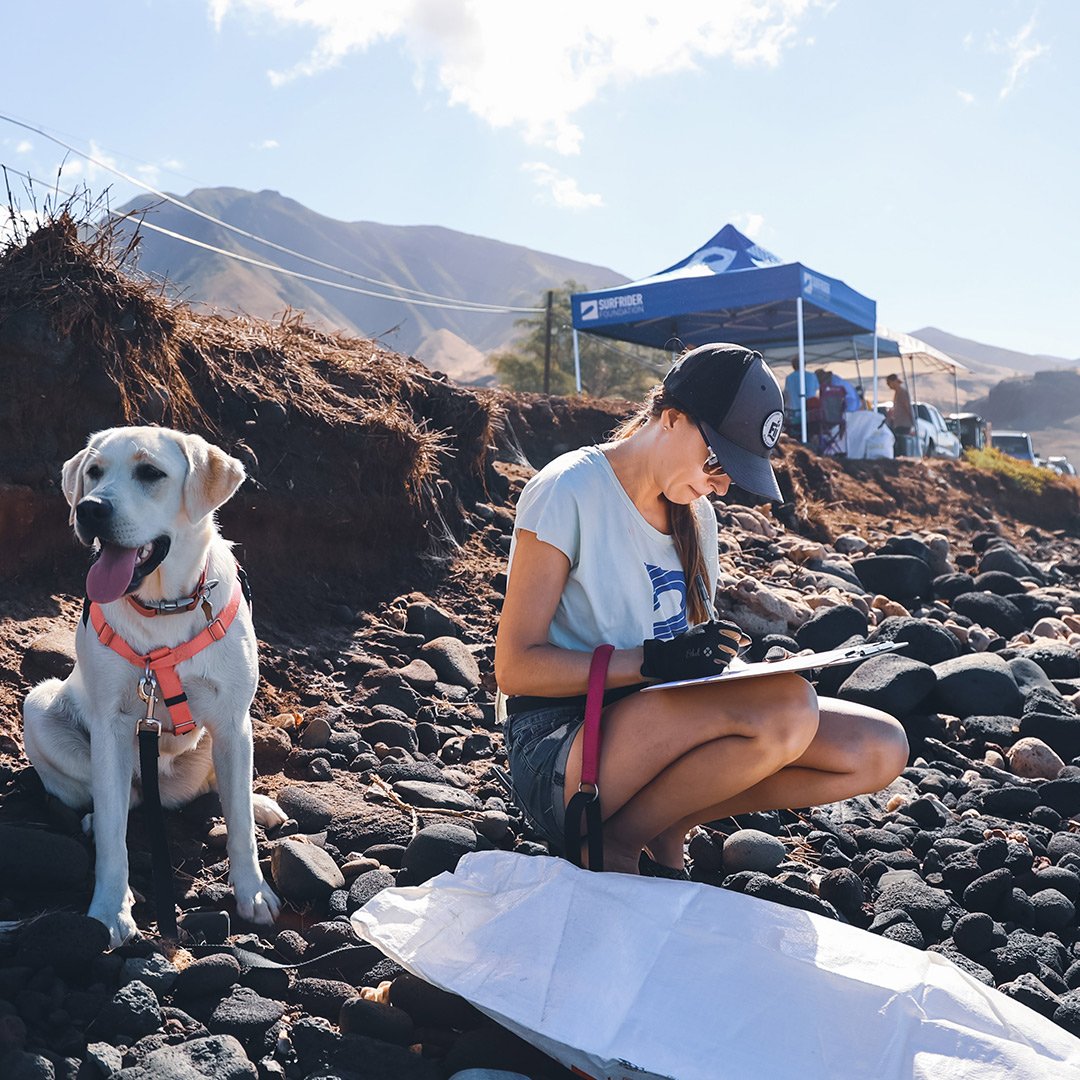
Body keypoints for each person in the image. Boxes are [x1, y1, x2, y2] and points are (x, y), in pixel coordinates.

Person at [495, 343, 908, 877]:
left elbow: (683, 673)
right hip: (563, 748)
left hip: (657, 728)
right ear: (671, 418)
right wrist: (649, 662)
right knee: (787, 710)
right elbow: (514, 668)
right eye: (716, 460)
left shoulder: (698, 518)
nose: (719, 483)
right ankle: (612, 843)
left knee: (879, 747)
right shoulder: (569, 490)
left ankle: (661, 822)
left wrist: (716, 664)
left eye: (732, 472)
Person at [783, 357, 818, 428]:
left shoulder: (789, 378)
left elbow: (786, 394)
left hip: (794, 414)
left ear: (793, 366)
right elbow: (816, 389)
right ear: (804, 364)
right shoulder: (812, 376)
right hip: (810, 414)